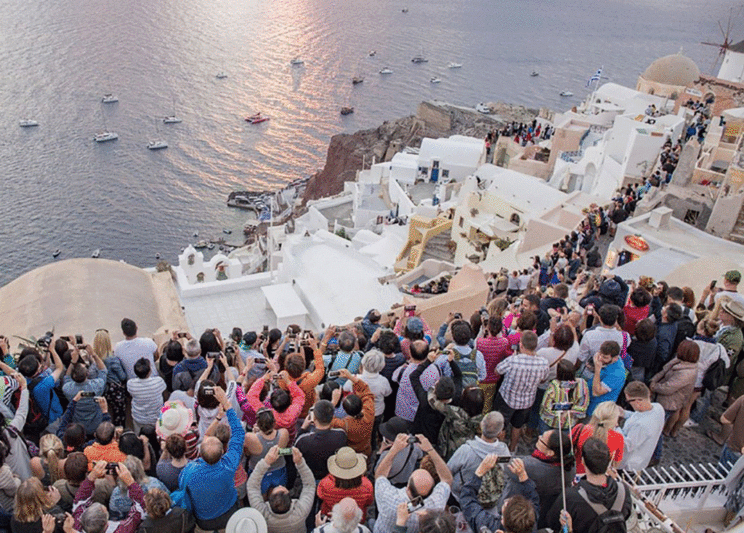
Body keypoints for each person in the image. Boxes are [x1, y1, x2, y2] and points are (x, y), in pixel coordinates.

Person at [175, 386, 245, 530]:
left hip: (204, 520)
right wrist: (226, 403)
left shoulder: (189, 471)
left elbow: (182, 485)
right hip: (229, 511)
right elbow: (238, 433)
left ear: (201, 454)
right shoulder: (229, 465)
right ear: (222, 454)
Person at [546, 438, 632, 533]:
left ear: (583, 461)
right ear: (608, 462)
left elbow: (552, 522)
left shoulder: (570, 496)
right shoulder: (623, 490)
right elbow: (626, 515)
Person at [374, 433, 452, 533]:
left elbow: (380, 475)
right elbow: (447, 479)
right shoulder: (436, 504)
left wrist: (394, 449)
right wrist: (430, 449)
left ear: (407, 487)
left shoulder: (389, 498)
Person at [495, 331, 549, 451]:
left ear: (521, 345)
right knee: (517, 426)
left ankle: (499, 449)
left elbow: (497, 370)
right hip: (527, 401)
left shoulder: (512, 360)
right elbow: (543, 380)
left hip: (507, 399)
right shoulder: (544, 363)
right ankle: (513, 449)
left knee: (501, 425)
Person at [459, 456, 539, 533]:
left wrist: (480, 472)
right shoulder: (531, 522)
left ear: (503, 521)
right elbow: (534, 499)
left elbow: (467, 501)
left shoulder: (488, 525)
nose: (506, 500)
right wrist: (522, 475)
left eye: (506, 506)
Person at [247, 446, 316, 533]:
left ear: (268, 501)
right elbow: (310, 485)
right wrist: (300, 463)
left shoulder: (262, 514)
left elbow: (252, 486)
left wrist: (266, 462)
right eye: (282, 488)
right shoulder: (301, 512)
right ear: (292, 501)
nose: (279, 485)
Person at [447, 412, 509, 502]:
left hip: (460, 496)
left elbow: (448, 470)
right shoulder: (504, 452)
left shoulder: (466, 450)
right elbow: (505, 476)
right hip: (487, 499)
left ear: (481, 425)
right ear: (500, 432)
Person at [71, 460, 145, 533]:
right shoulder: (122, 530)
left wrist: (92, 476)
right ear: (106, 521)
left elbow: (80, 501)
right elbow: (141, 508)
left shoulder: (77, 528)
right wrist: (130, 481)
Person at [649, 340, 699, 437]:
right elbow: (664, 370)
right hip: (664, 398)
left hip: (669, 403)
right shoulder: (679, 361)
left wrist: (653, 386)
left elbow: (668, 388)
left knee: (656, 430)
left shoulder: (686, 373)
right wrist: (653, 380)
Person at [317, 447, 374, 521]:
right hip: (355, 520)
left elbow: (320, 495)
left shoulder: (325, 483)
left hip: (332, 518)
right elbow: (369, 502)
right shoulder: (367, 485)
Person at [296, 400, 347, 480]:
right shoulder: (341, 434)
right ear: (332, 416)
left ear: (314, 417)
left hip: (311, 476)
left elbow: (294, 449)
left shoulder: (303, 440)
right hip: (332, 476)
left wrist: (303, 428)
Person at [618, 381, 665, 471]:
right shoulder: (658, 407)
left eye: (628, 401)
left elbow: (627, 445)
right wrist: (624, 413)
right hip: (642, 458)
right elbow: (638, 415)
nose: (629, 404)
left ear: (638, 401)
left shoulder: (641, 425)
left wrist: (616, 427)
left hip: (629, 465)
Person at [62, 347, 108, 437]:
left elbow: (66, 377)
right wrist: (94, 354)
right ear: (87, 374)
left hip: (78, 425)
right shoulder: (96, 386)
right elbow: (103, 371)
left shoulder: (67, 389)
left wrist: (73, 362)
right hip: (96, 424)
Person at [571, 401, 624, 476]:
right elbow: (616, 462)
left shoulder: (581, 429)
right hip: (600, 478)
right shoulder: (618, 438)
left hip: (576, 474)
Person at [330, 369, 375, 457]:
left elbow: (326, 419)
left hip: (351, 453)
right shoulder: (369, 412)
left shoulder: (344, 424)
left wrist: (333, 402)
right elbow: (366, 391)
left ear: (346, 411)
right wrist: (350, 377)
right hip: (366, 449)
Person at [245, 408, 289, 495]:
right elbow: (286, 451)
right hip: (279, 470)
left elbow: (247, 454)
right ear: (274, 422)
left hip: (259, 472)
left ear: (258, 424)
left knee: (260, 498)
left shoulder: (250, 437)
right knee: (279, 497)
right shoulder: (284, 433)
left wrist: (255, 435)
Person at [108, 456, 167, 520]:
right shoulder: (154, 484)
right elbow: (168, 501)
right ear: (141, 469)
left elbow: (114, 518)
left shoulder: (116, 493)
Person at [539, 359, 589, 432]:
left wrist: (561, 411)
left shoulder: (554, 385)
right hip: (568, 424)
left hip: (550, 423)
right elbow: (583, 407)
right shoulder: (582, 383)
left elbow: (546, 408)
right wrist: (569, 409)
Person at [476, 316, 512, 412]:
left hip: (480, 379)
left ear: (488, 327)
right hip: (493, 379)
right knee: (487, 405)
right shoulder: (504, 342)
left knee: (477, 403)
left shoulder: (480, 342)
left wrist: (482, 329)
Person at [92, 329, 127, 428]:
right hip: (115, 392)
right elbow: (123, 377)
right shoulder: (113, 359)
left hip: (102, 391)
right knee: (119, 416)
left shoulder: (93, 360)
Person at [126, 358, 166, 435]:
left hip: (139, 418)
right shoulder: (158, 381)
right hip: (157, 418)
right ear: (150, 371)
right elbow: (163, 389)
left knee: (139, 436)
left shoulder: (130, 384)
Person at [585, 340, 625, 417]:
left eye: (605, 357)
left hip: (597, 411)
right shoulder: (608, 362)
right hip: (589, 403)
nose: (600, 358)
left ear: (615, 358)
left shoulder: (617, 374)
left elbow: (596, 392)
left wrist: (597, 369)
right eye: (600, 354)